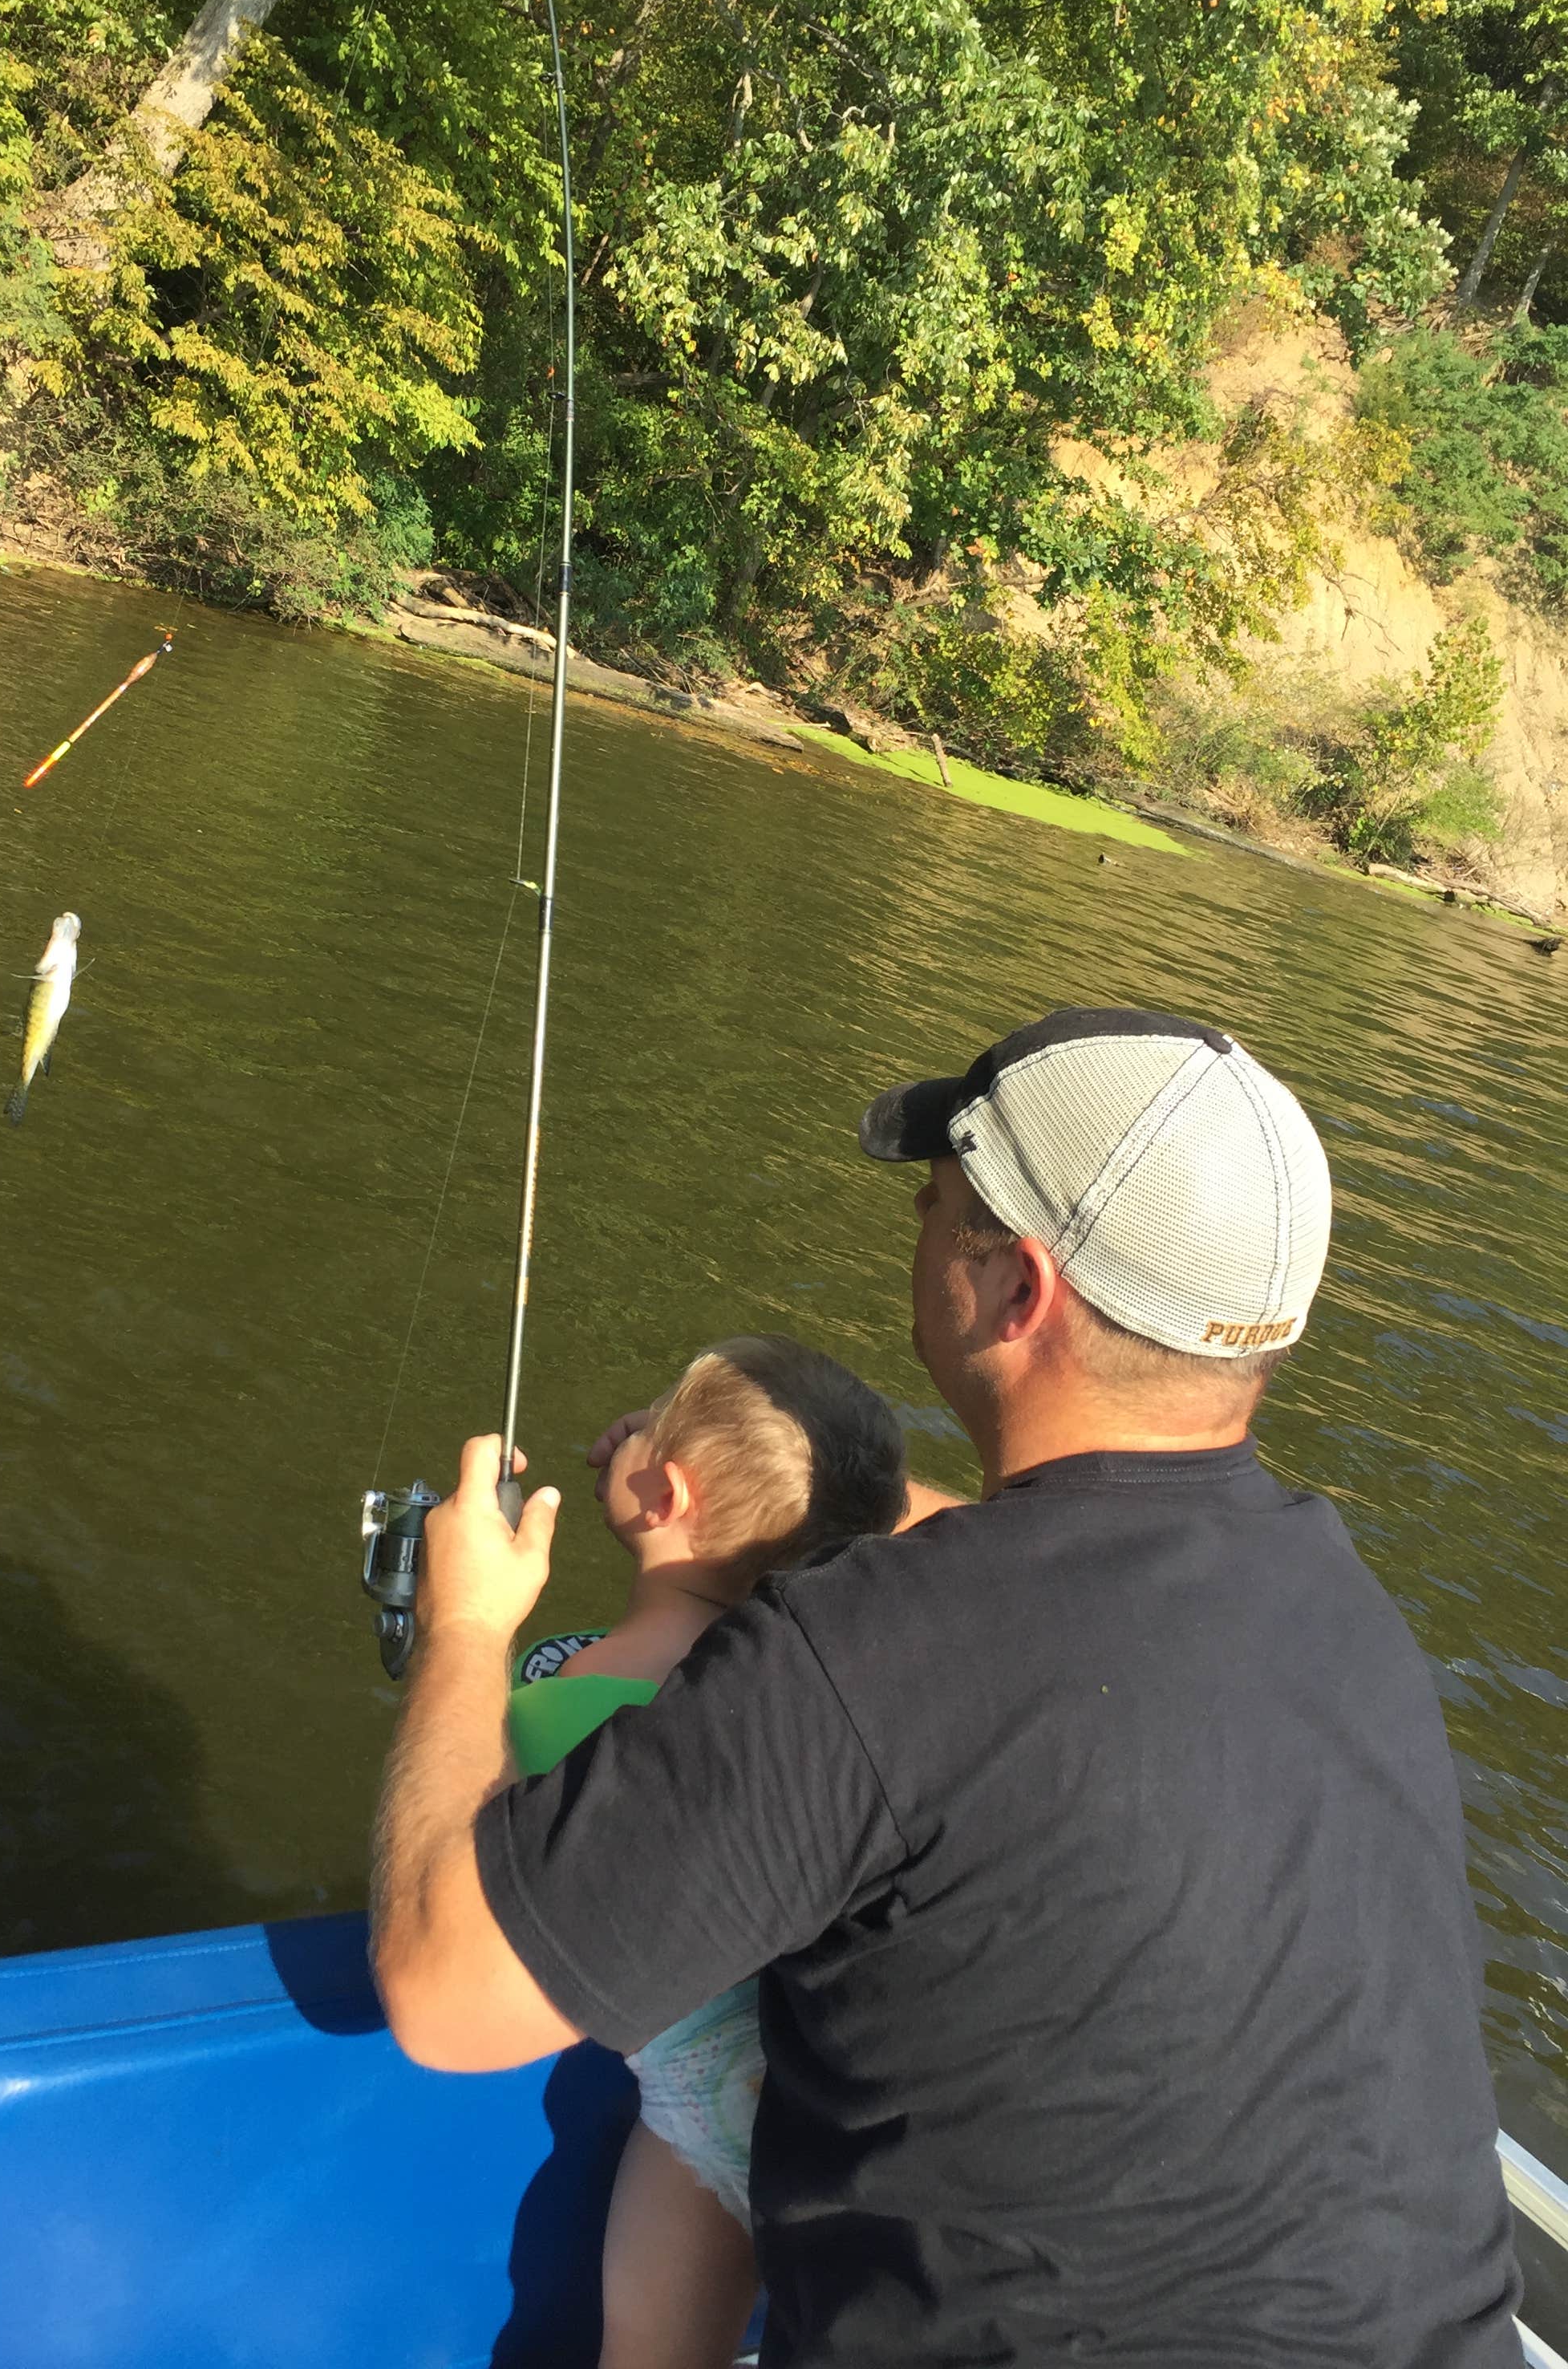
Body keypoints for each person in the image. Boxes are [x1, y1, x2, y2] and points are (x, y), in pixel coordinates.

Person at [372, 1008, 1521, 2367]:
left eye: (935, 1209)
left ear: (1016, 1291)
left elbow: (446, 1995)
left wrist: (463, 1624)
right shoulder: (1349, 1615)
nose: (916, 1232)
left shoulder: (867, 1653)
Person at [505, 1334, 934, 2369]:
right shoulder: (818, 1692)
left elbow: (479, 1816)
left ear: (665, 1496)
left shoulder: (556, 1697)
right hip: (829, 2097)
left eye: (646, 1420)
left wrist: (470, 1619)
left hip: (701, 2111)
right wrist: (684, 1476)